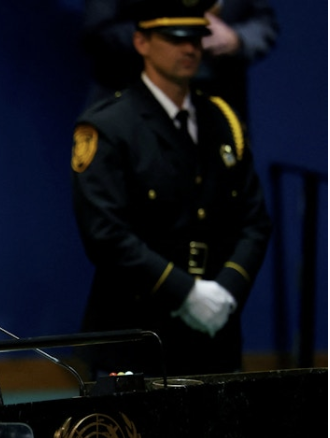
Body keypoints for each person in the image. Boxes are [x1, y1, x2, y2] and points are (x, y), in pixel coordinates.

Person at [71, 0, 272, 378]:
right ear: (142, 42)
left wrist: (226, 290)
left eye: (196, 37)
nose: (189, 48)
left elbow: (255, 221)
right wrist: (186, 293)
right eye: (175, 37)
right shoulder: (110, 126)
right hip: (136, 334)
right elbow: (106, 235)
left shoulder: (223, 122)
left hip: (215, 334)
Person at [81, 0, 278, 122]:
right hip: (133, 111)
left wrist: (236, 39)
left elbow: (264, 21)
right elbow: (98, 33)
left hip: (218, 114)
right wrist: (167, 34)